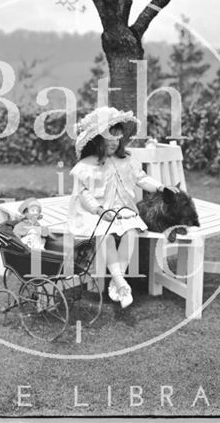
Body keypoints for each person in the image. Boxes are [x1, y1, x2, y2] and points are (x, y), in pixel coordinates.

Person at [67, 106, 177, 308]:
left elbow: (142, 179)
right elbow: (84, 193)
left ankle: (117, 282)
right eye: (109, 138)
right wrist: (98, 210)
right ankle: (121, 283)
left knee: (131, 232)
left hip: (122, 209)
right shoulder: (88, 164)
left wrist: (161, 187)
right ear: (98, 140)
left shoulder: (126, 161)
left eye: (117, 138)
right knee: (105, 234)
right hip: (97, 212)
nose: (114, 142)